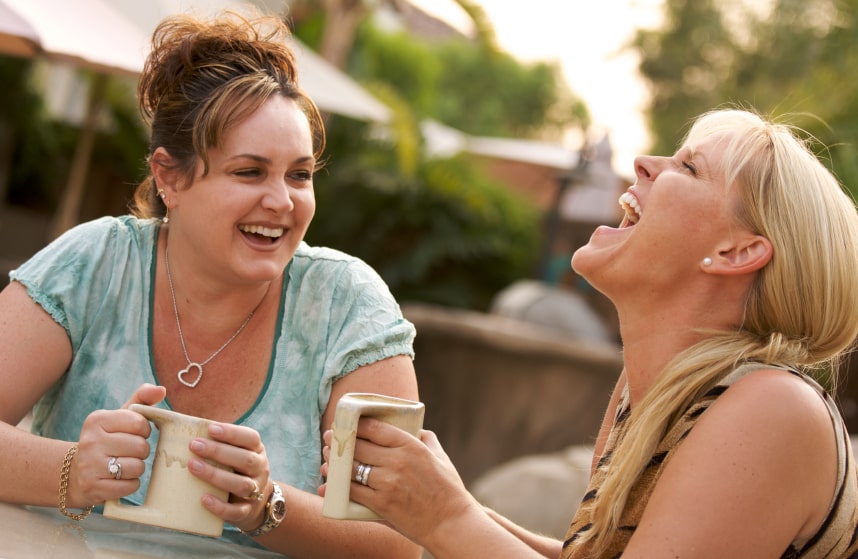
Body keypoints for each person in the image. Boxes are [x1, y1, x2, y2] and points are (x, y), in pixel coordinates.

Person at [322, 108, 858, 558]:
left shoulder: (772, 408)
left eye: (689, 168)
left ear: (736, 252)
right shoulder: (656, 391)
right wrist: (435, 504)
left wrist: (445, 516)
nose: (644, 163)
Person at [0, 9, 422, 559]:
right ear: (168, 177)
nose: (282, 201)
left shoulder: (347, 304)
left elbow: (399, 541)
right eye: (249, 172)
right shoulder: (96, 262)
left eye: (299, 174)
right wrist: (72, 469)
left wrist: (267, 507)